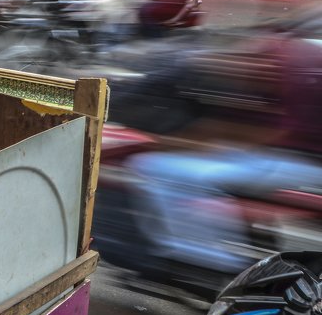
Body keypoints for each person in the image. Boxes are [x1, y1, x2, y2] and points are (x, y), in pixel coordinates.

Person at [127, 25, 322, 277]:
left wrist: (192, 144)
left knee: (159, 168)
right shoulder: (290, 54)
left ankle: (205, 262)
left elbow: (272, 132)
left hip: (300, 162)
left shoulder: (291, 61)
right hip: (287, 156)